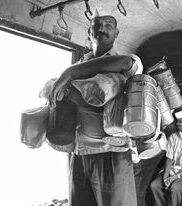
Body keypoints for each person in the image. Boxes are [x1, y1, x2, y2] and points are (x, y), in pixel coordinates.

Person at [49, 9, 143, 206]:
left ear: (117, 33)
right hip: (79, 151)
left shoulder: (127, 60)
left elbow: (125, 62)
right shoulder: (82, 61)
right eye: (97, 25)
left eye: (109, 25)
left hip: (111, 152)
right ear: (89, 32)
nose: (102, 29)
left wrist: (69, 72)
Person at [150, 110, 182, 206]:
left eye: (180, 121)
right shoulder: (173, 137)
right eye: (177, 121)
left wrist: (175, 176)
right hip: (170, 171)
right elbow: (169, 159)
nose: (177, 124)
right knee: (154, 185)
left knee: (176, 187)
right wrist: (166, 177)